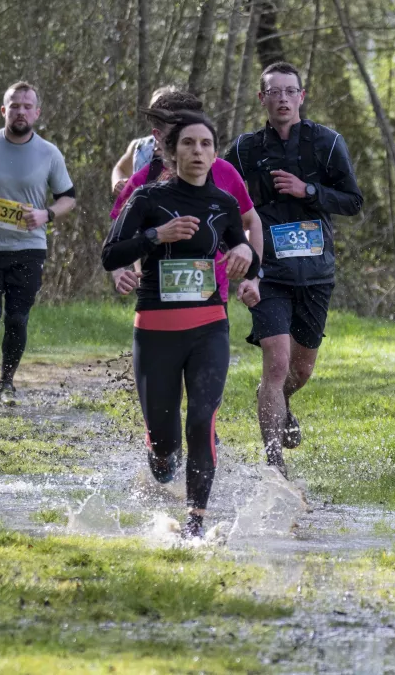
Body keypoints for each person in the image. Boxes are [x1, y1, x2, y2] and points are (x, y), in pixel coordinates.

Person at [102, 111, 259, 538]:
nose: (198, 151)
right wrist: (158, 235)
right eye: (188, 143)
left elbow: (244, 252)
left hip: (209, 327)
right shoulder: (146, 198)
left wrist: (247, 258)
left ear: (214, 153)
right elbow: (111, 254)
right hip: (156, 330)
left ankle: (195, 522)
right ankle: (159, 453)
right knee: (165, 442)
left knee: (202, 421)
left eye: (206, 144)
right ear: (171, 152)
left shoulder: (224, 204)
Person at [224, 61, 363, 477]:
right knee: (277, 361)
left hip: (315, 272)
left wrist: (310, 190)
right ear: (261, 98)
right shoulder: (244, 150)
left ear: (301, 97)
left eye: (290, 91)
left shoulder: (327, 143)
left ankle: (282, 402)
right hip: (267, 272)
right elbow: (220, 197)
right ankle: (274, 464)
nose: (282, 99)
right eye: (274, 92)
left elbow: (353, 201)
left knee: (300, 371)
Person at [0, 82, 76, 401]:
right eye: (14, 106)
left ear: (37, 113)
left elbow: (68, 198)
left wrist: (47, 214)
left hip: (29, 248)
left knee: (17, 318)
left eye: (27, 106)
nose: (21, 112)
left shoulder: (49, 153)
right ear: (4, 110)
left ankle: (6, 381)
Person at [110, 91, 263, 299]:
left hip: (213, 297)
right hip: (157, 298)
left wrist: (253, 276)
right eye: (181, 130)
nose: (191, 137)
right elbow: (114, 240)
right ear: (159, 136)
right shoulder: (143, 180)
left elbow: (253, 221)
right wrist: (119, 272)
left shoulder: (224, 171)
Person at [110, 85, 187, 197]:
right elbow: (120, 168)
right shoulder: (139, 146)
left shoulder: (187, 145)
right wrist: (118, 182)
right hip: (139, 205)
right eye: (156, 112)